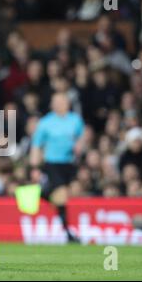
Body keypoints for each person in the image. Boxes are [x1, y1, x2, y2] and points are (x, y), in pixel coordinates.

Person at [29, 93, 84, 243]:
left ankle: (42, 193)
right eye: (56, 102)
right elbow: (36, 145)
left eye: (62, 101)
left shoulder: (76, 120)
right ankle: (68, 234)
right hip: (52, 164)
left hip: (70, 164)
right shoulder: (46, 122)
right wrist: (34, 167)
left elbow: (81, 138)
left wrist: (80, 146)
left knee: (69, 193)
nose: (59, 104)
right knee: (61, 194)